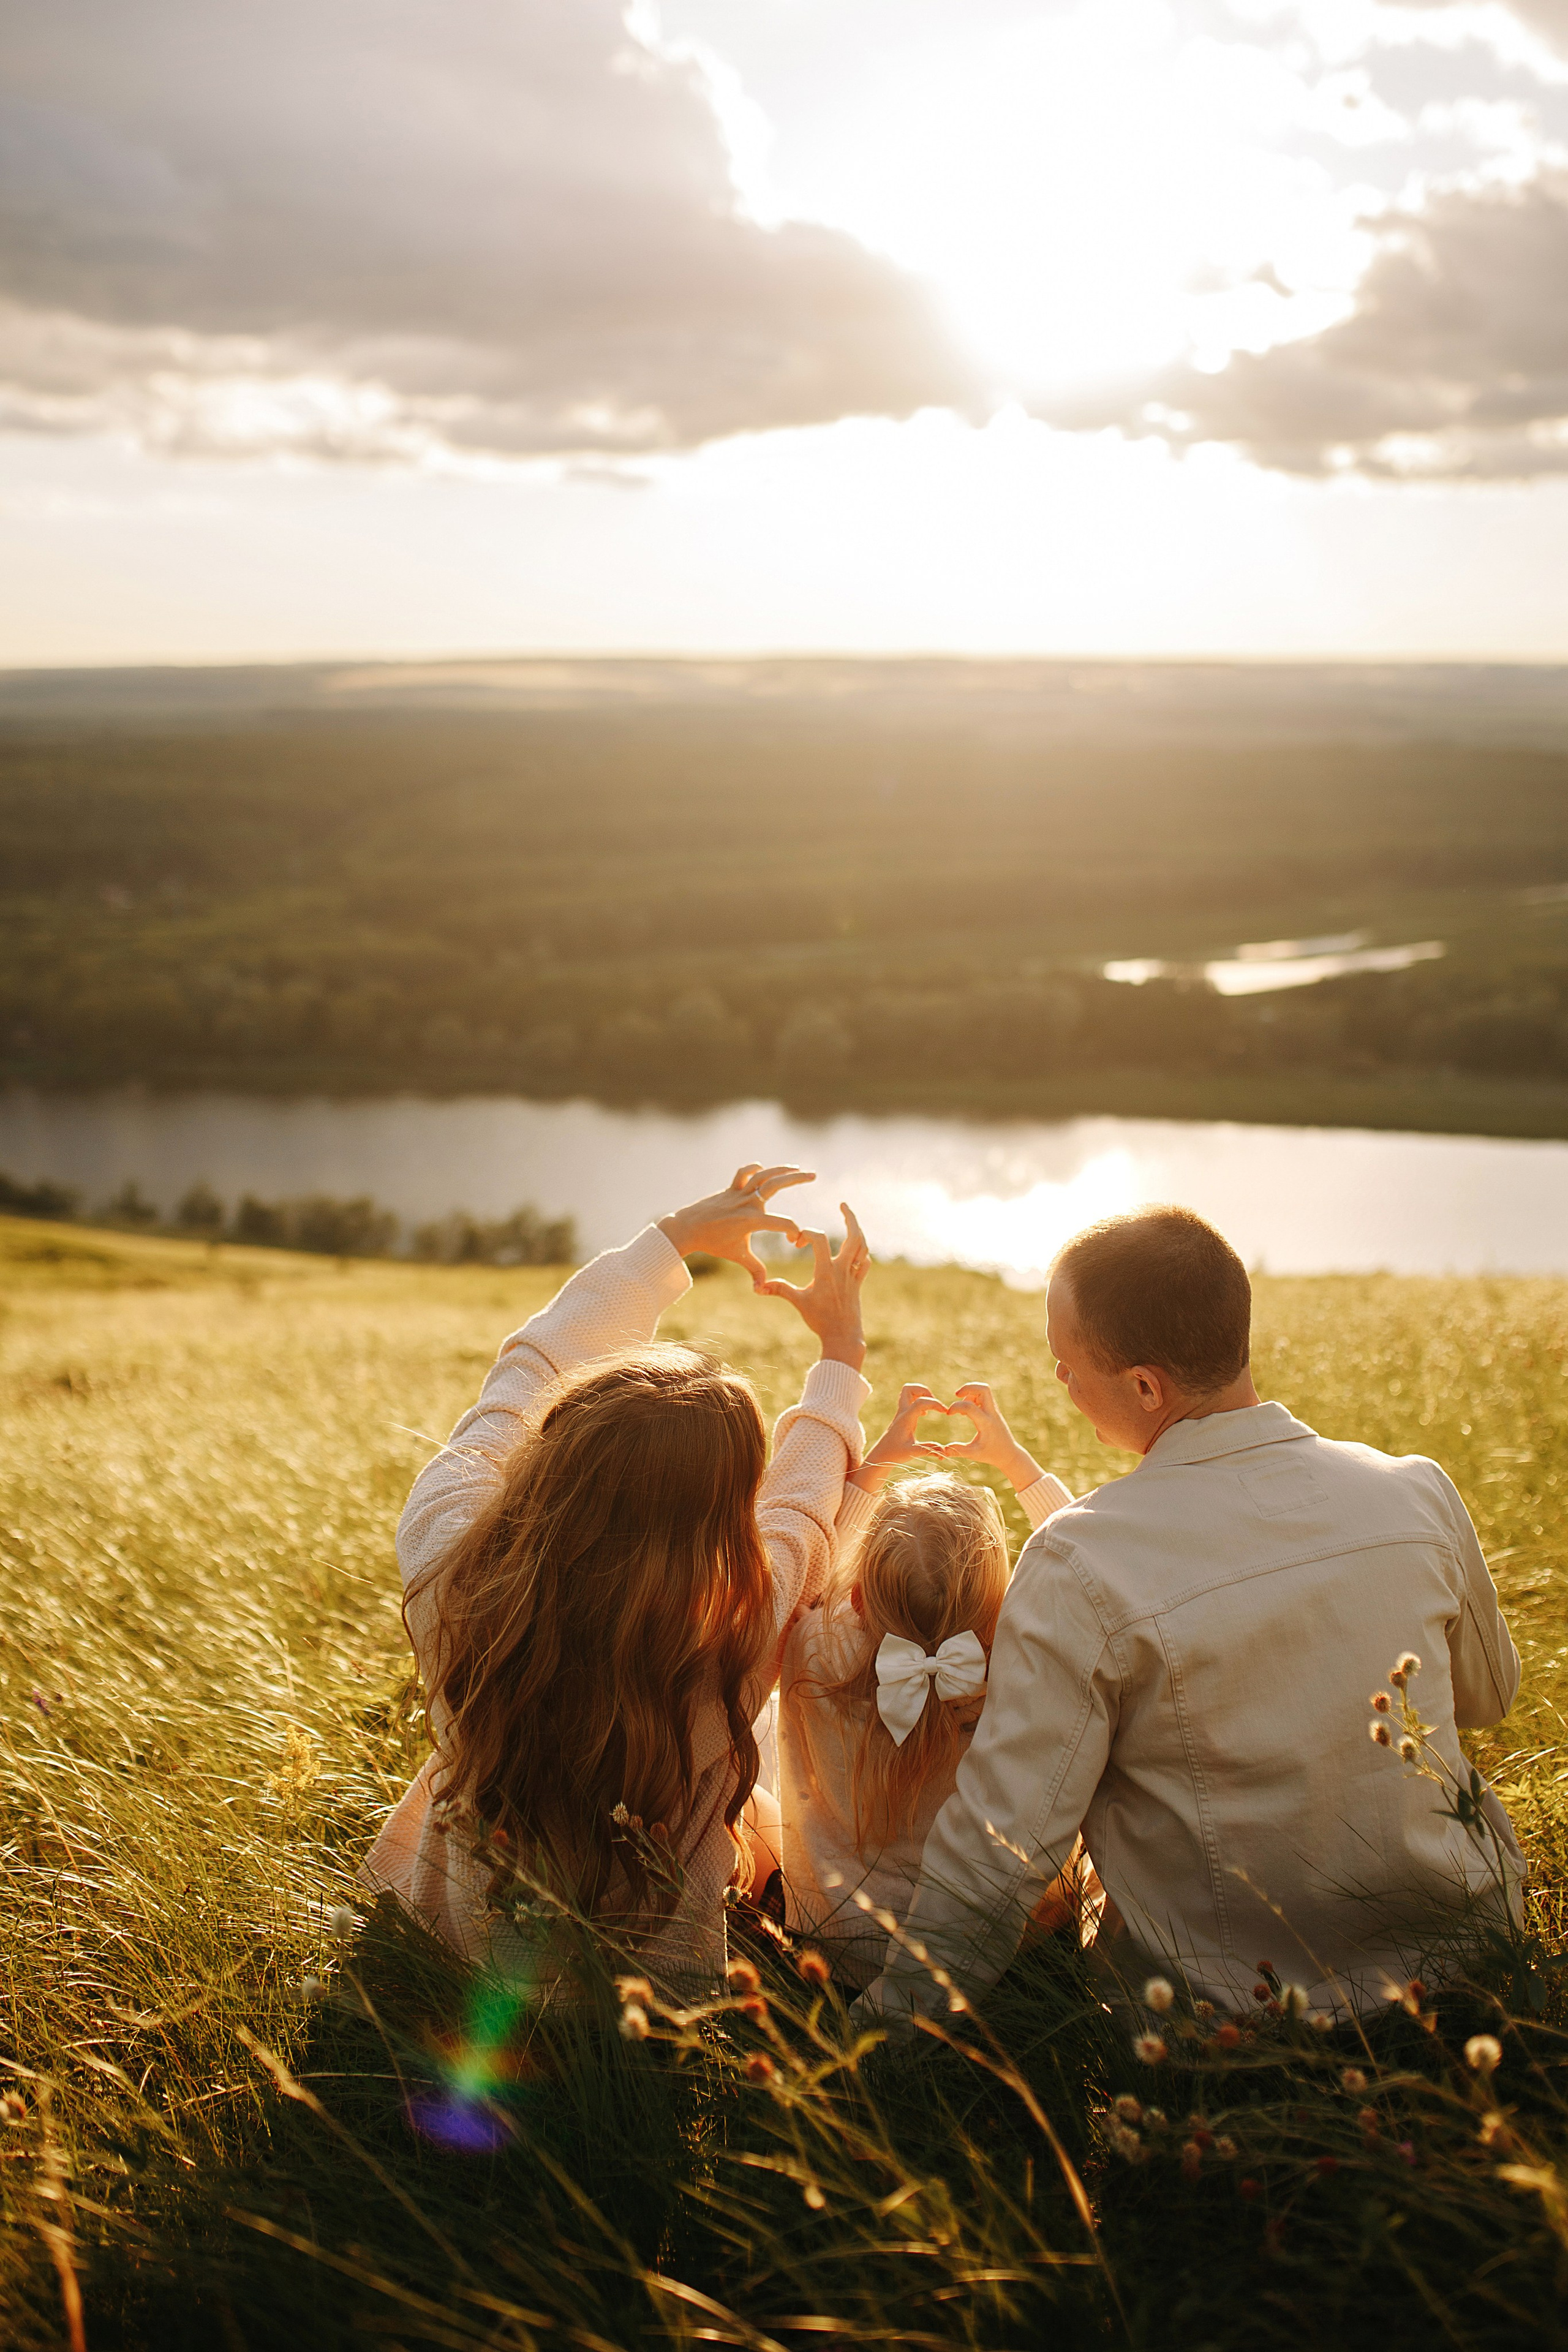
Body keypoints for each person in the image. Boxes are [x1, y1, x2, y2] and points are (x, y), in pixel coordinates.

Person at [859, 1205, 1523, 2026]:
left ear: (1146, 1386)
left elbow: (1006, 1844)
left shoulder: (1080, 1558)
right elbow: (1489, 1698)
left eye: (1067, 1363)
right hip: (1467, 1963)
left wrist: (883, 2033)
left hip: (1225, 2013)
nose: (1060, 1383)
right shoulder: (1418, 1488)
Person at [361, 1164, 871, 1990]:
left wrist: (673, 1241)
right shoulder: (735, 1635)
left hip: (451, 1940)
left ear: (552, 1454)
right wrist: (840, 1356)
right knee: (773, 1777)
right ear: (717, 1522)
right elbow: (802, 1522)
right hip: (648, 1995)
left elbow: (525, 1371)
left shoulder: (447, 1555)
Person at [777, 1382, 1076, 1981]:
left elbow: (813, 1566)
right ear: (997, 1610)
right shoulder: (1021, 1669)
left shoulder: (813, 1649)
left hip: (832, 1943)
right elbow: (1091, 1562)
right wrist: (1018, 1466)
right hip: (989, 1955)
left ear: (859, 1596)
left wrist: (876, 1464)